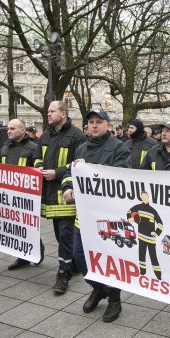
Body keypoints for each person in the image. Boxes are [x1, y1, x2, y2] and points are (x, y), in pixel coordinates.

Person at [61, 109, 131, 322]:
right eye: (90, 122)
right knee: (80, 257)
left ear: (107, 125)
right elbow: (69, 172)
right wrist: (67, 188)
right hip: (84, 215)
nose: (93, 125)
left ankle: (114, 299)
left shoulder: (119, 147)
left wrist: (89, 170)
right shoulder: (82, 148)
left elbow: (121, 176)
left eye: (98, 122)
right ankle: (99, 288)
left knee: (110, 259)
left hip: (109, 215)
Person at [34, 101, 84, 294]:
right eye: (48, 111)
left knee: (65, 234)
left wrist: (57, 172)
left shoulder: (76, 136)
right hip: (49, 195)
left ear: (63, 114)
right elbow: (38, 157)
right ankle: (73, 263)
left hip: (66, 194)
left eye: (52, 111)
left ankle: (63, 273)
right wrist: (38, 167)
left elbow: (78, 164)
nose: (48, 114)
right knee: (59, 234)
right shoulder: (45, 135)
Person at [0, 118, 43, 270]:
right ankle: (22, 257)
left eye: (13, 128)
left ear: (23, 130)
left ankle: (37, 248)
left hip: (26, 196)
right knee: (16, 227)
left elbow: (38, 170)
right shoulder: (5, 148)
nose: (8, 131)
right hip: (8, 195)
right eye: (8, 128)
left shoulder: (33, 147)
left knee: (27, 225)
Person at [127, 191, 164, 280]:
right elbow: (129, 211)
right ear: (141, 198)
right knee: (141, 255)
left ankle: (158, 275)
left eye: (146, 196)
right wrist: (129, 218)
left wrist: (157, 232)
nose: (144, 198)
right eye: (143, 196)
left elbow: (160, 223)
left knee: (153, 257)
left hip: (151, 239)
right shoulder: (138, 208)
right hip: (141, 237)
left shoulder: (153, 210)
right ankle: (142, 272)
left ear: (148, 197)